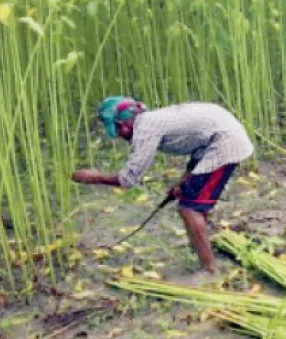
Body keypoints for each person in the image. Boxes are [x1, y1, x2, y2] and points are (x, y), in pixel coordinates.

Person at [72, 97, 254, 275]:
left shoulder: (145, 129)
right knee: (190, 201)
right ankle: (202, 245)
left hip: (226, 144)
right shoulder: (153, 120)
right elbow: (200, 145)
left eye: (118, 131)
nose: (120, 136)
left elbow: (129, 179)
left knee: (189, 209)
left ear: (124, 125)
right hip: (217, 140)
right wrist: (183, 181)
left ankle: (209, 270)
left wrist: (96, 177)